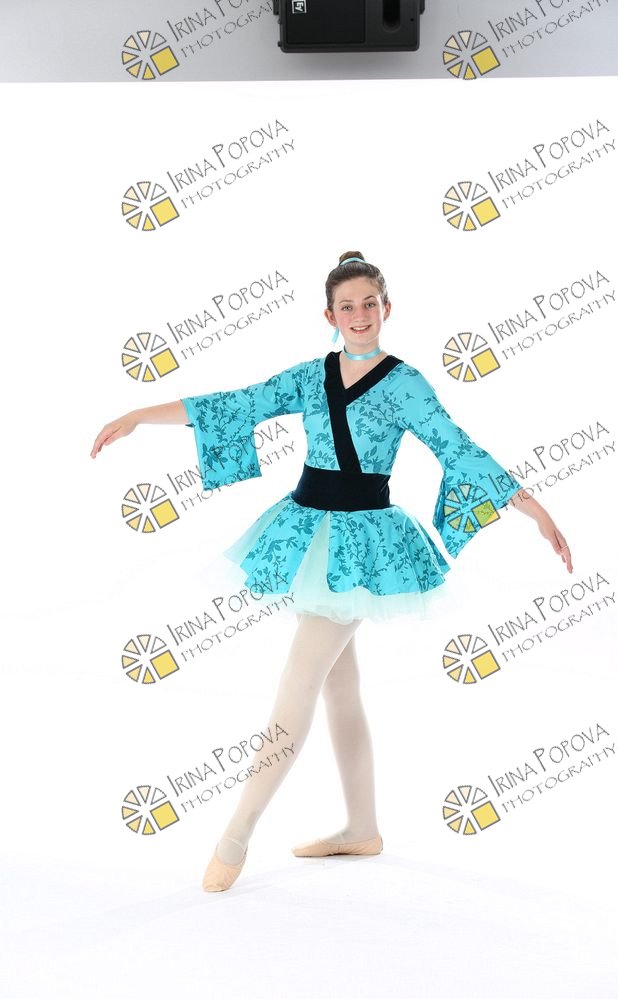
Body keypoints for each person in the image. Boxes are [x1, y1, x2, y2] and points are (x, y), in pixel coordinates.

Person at [90, 251, 573, 893]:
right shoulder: (312, 374)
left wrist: (532, 508)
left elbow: (457, 447)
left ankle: (235, 835)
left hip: (361, 548)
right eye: (347, 306)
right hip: (306, 534)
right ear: (330, 315)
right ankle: (362, 828)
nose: (359, 315)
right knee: (339, 687)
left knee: (295, 689)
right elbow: (242, 403)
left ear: (387, 308)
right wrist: (140, 416)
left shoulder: (406, 383)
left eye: (369, 303)